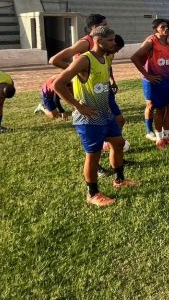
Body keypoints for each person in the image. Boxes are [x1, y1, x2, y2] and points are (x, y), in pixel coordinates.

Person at [53, 26, 139, 207]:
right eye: (110, 41)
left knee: (118, 143)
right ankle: (92, 193)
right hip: (89, 118)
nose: (114, 44)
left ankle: (119, 180)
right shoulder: (85, 60)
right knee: (93, 155)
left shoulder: (105, 58)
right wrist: (77, 106)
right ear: (98, 41)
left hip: (105, 114)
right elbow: (58, 84)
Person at [130, 18, 169, 147]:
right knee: (159, 109)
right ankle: (158, 138)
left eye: (166, 27)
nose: (166, 29)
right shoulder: (151, 42)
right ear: (156, 29)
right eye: (162, 27)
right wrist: (148, 75)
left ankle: (167, 136)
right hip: (157, 81)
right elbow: (134, 57)